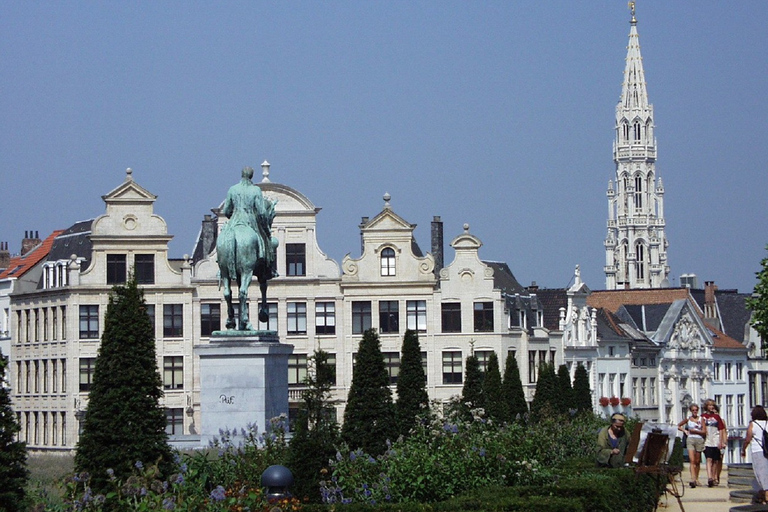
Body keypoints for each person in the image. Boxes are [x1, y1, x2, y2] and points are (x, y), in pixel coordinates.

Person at [741, 405, 768, 504]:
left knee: (760, 474)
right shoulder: (767, 423)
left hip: (758, 451)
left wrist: (743, 450)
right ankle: (762, 496)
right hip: (767, 451)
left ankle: (766, 496)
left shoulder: (753, 424)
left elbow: (748, 439)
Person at [678, 403, 706, 487]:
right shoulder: (688, 419)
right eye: (693, 410)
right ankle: (693, 478)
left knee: (697, 461)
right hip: (690, 439)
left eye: (696, 410)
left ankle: (696, 478)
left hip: (699, 439)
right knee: (692, 460)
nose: (695, 411)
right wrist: (685, 431)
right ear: (691, 411)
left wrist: (696, 431)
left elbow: (704, 431)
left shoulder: (701, 419)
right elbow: (678, 425)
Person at [702, 399, 727, 487]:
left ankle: (714, 476)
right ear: (706, 407)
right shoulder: (703, 417)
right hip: (707, 440)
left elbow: (721, 429)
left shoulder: (717, 417)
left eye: (712, 405)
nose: (711, 407)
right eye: (709, 405)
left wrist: (721, 441)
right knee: (709, 459)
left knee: (715, 460)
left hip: (715, 439)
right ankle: (710, 477)